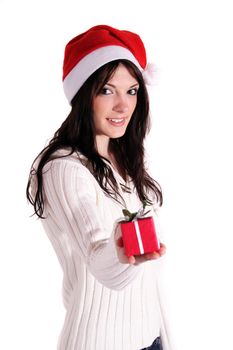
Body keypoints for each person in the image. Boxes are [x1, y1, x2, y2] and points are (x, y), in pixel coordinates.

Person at [26, 24, 173, 350]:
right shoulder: (64, 167)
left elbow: (148, 282)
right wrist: (121, 253)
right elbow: (100, 260)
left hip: (152, 339)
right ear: (83, 94)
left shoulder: (125, 159)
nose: (123, 105)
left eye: (132, 90)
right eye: (107, 90)